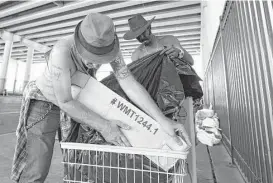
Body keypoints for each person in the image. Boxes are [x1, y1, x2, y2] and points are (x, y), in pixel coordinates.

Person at [11, 13, 187, 183]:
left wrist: (162, 119)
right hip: (46, 101)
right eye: (90, 58)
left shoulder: (112, 47)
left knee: (76, 161)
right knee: (37, 166)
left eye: (101, 58)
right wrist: (104, 126)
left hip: (79, 98)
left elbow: (129, 84)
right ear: (79, 45)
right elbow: (65, 101)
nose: (95, 64)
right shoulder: (60, 52)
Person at [123, 14, 194, 65]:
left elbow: (191, 61)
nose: (141, 37)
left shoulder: (169, 40)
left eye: (143, 32)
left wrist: (179, 54)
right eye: (137, 36)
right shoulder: (137, 55)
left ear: (149, 27)